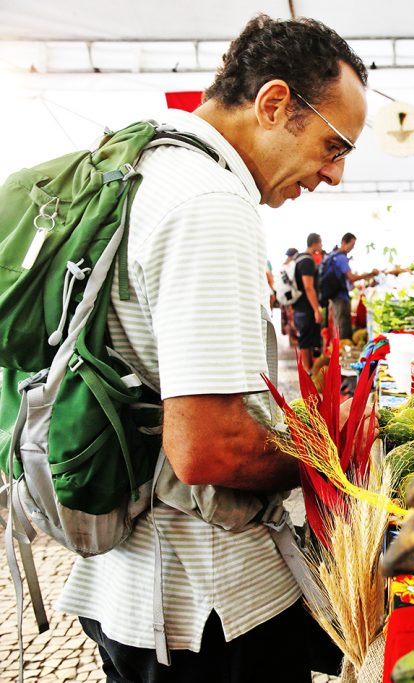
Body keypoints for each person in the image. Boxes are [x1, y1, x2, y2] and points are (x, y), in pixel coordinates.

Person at [55, 14, 368, 681]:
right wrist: (343, 461)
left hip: (127, 584)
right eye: (333, 145)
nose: (334, 174)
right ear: (275, 104)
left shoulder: (137, 167)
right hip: (205, 605)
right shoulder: (209, 201)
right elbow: (207, 446)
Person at [327, 232, 377, 341]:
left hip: (335, 296)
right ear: (344, 242)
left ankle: (340, 350)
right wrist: (369, 274)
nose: (352, 248)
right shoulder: (341, 258)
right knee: (342, 326)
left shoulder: (334, 256)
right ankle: (342, 350)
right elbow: (352, 278)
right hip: (340, 297)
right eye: (352, 245)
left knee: (339, 324)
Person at [294, 232, 324, 373]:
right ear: (315, 243)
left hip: (300, 306)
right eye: (320, 242)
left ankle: (308, 369)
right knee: (305, 340)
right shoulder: (306, 261)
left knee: (305, 339)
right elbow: (308, 286)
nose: (322, 246)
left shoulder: (299, 258)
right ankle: (307, 371)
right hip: (306, 307)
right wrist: (316, 309)